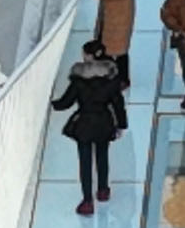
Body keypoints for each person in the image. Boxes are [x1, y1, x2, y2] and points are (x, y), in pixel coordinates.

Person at [54, 41, 131, 216]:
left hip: (84, 124)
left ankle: (87, 200)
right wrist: (121, 125)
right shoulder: (111, 78)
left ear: (89, 56)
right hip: (104, 122)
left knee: (85, 161)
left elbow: (65, 102)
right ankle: (103, 190)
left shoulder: (78, 79)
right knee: (102, 155)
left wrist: (52, 104)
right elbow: (118, 104)